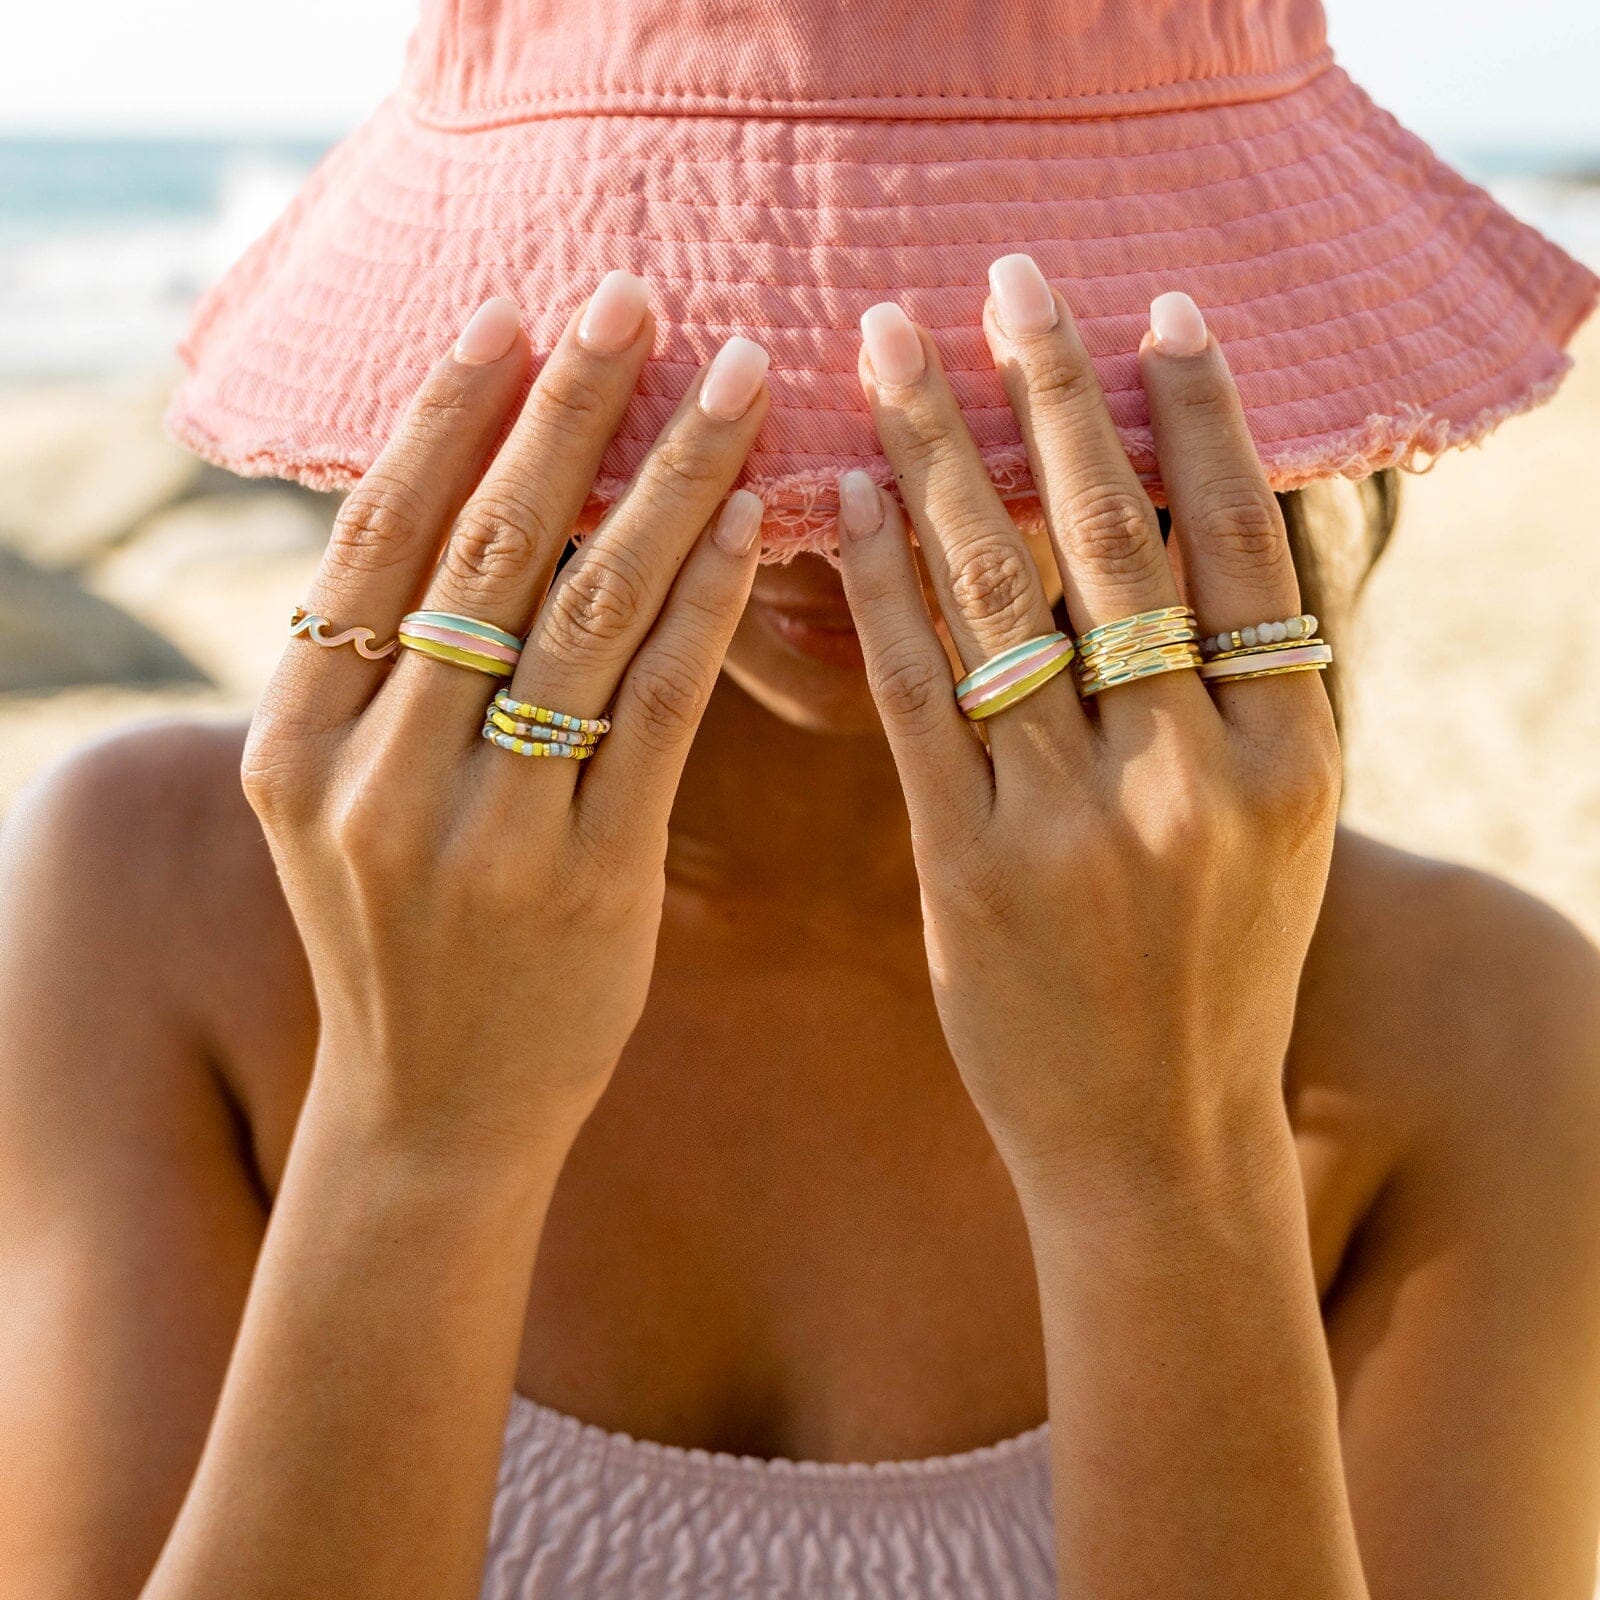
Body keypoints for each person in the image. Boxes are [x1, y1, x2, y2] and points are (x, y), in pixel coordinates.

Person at [3, 2, 1600, 1598]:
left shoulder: (1480, 1032)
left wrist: (1169, 1171)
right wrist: (417, 1138)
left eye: (983, 365)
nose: (842, 487)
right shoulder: (157, 902)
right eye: (727, 347)